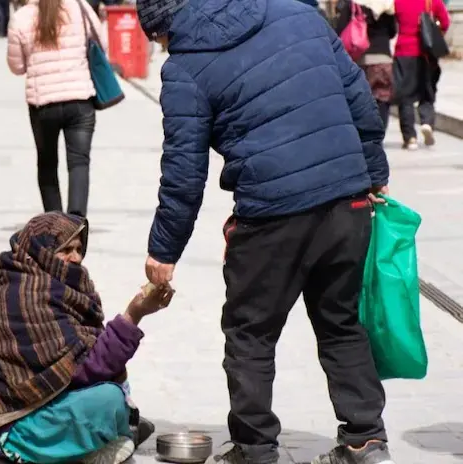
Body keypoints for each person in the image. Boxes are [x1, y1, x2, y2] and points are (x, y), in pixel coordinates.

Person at [135, 0, 392, 463]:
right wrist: (374, 171)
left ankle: (255, 449)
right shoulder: (296, 10)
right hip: (346, 199)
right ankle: (366, 439)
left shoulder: (184, 68)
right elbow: (357, 93)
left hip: (272, 214)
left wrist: (163, 250)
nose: (161, 48)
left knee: (250, 332)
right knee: (341, 322)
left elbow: (184, 172)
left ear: (164, 26)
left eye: (157, 38)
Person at [0, 212, 172, 464]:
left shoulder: (51, 284)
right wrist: (133, 314)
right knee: (108, 401)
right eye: (66, 250)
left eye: (79, 249)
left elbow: (81, 362)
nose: (76, 258)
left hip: (31, 407)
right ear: (42, 251)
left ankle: (104, 432)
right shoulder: (26, 294)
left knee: (116, 393)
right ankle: (20, 448)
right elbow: (85, 370)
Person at [7, 0, 106, 218]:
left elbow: (17, 66)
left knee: (47, 165)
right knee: (79, 163)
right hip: (80, 99)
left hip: (42, 104)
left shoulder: (21, 17)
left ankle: (55, 227)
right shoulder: (79, 7)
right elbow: (101, 43)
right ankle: (77, 224)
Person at [393, 0, 450, 150]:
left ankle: (410, 137)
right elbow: (445, 22)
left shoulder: (398, 2)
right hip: (426, 54)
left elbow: (392, 26)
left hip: (404, 52)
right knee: (427, 92)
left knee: (405, 96)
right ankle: (427, 123)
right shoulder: (431, 1)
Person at [335, 0, 397, 134]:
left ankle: (364, 133)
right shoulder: (387, 5)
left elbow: (340, 29)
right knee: (383, 98)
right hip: (383, 58)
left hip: (360, 59)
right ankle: (379, 134)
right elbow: (393, 31)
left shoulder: (353, 3)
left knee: (361, 99)